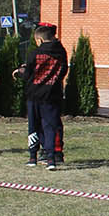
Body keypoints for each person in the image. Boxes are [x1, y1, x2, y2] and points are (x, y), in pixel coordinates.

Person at [16, 23, 67, 170]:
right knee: (50, 126)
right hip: (52, 95)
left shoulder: (35, 54)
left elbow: (27, 75)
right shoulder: (61, 53)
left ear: (39, 40)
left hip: (34, 95)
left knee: (34, 125)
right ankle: (51, 158)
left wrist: (20, 71)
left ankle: (33, 156)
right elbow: (62, 72)